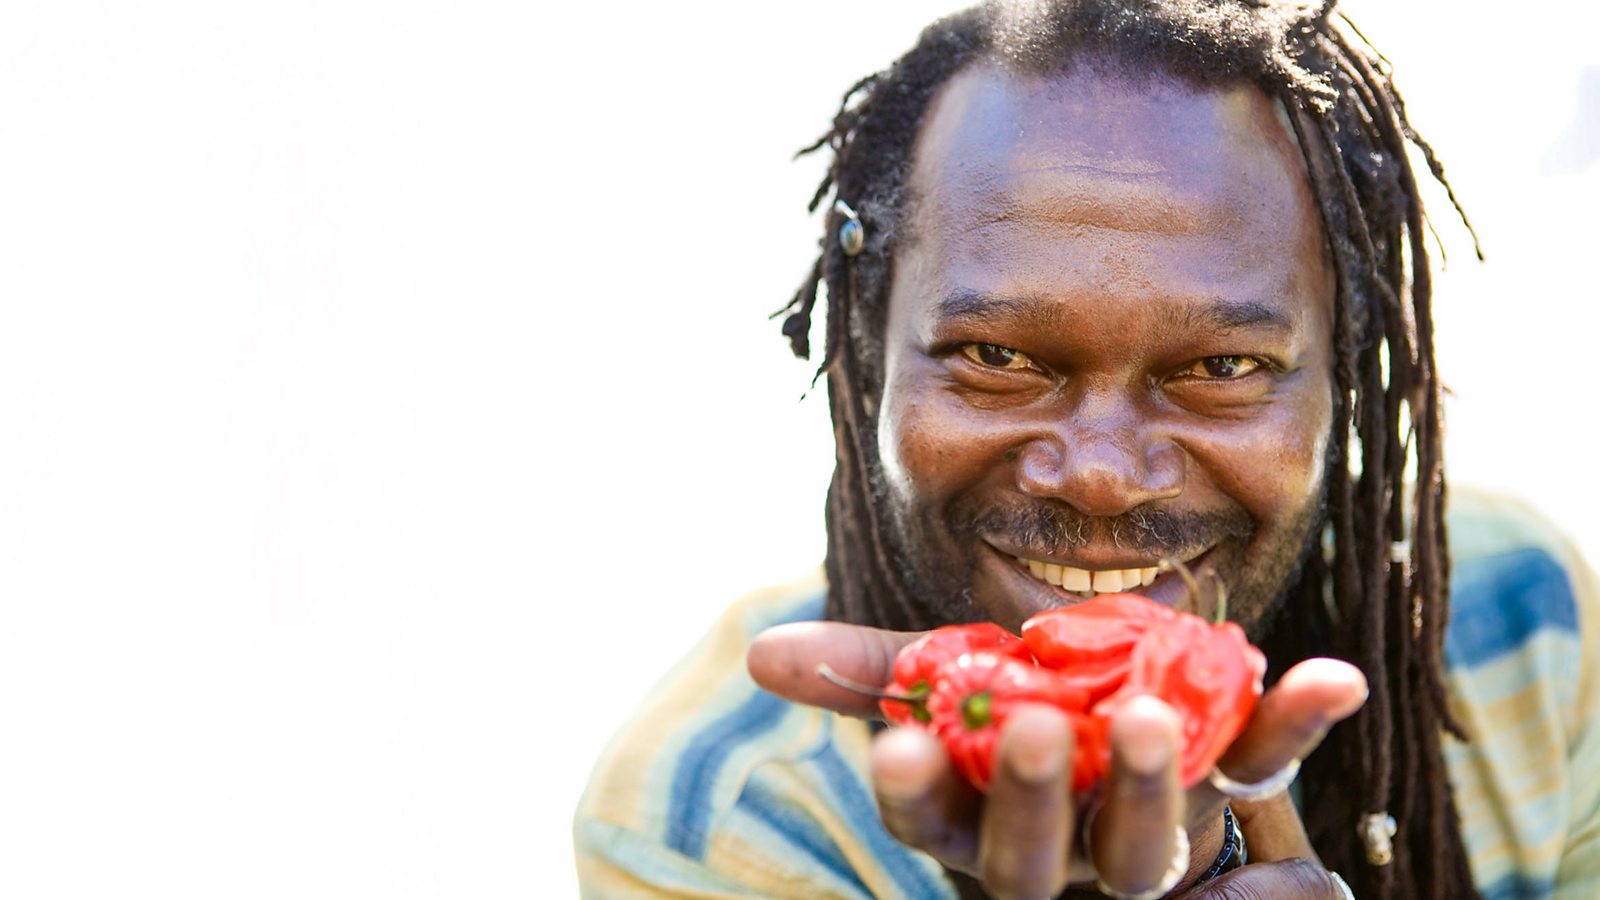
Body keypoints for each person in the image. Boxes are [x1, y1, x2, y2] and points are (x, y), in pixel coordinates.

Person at [574, 1, 1600, 897]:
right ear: (861, 361)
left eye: (1223, 367)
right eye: (995, 355)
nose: (1103, 474)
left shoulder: (1520, 613)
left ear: (1342, 379)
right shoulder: (720, 819)